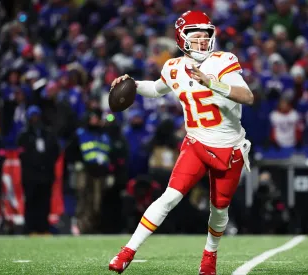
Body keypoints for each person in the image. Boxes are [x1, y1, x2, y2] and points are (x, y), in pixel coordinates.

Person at [108, 11, 254, 275]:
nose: (202, 41)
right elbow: (156, 89)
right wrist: (131, 83)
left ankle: (210, 255)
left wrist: (212, 83)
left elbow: (247, 96)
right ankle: (127, 251)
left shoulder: (223, 61)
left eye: (205, 36)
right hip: (196, 143)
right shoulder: (173, 67)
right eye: (195, 36)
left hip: (229, 148)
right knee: (170, 196)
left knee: (219, 210)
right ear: (181, 38)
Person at [17, 106, 60, 234]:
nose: (35, 119)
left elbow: (55, 151)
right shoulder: (24, 135)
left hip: (46, 174)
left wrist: (46, 162)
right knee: (31, 202)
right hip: (30, 175)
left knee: (44, 202)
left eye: (37, 116)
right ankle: (30, 228)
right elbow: (22, 154)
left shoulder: (48, 133)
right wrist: (36, 161)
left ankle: (43, 228)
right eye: (32, 116)